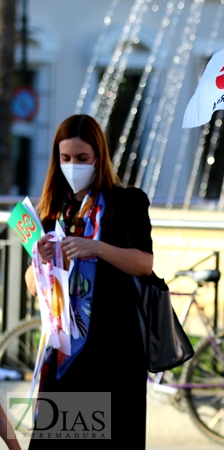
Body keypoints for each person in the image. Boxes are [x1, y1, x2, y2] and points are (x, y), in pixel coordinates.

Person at [24, 114, 153, 448]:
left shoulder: (126, 203)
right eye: (65, 158)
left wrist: (94, 247)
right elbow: (31, 285)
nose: (72, 166)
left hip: (113, 353)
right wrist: (41, 261)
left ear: (99, 157)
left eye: (82, 158)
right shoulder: (52, 209)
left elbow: (144, 262)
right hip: (65, 353)